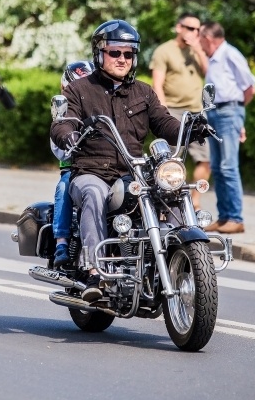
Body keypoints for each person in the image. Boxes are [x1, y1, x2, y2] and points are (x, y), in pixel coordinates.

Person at [50, 20, 183, 301]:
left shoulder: (144, 92)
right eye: (115, 52)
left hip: (130, 173)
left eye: (128, 53)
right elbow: (64, 121)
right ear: (100, 53)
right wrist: (67, 134)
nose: (122, 59)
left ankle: (178, 256)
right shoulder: (80, 89)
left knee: (167, 189)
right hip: (90, 170)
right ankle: (93, 270)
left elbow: (164, 122)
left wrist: (191, 127)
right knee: (93, 192)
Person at [198, 22, 255, 234]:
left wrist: (236, 112)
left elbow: (250, 87)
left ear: (208, 38)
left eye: (200, 39)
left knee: (229, 166)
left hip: (228, 111)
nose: (199, 44)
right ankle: (224, 217)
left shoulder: (230, 54)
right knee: (217, 167)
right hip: (215, 112)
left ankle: (236, 218)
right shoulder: (214, 58)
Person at [150, 12, 211, 210]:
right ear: (179, 27)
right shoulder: (164, 51)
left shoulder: (197, 50)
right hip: (174, 111)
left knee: (205, 159)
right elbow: (157, 84)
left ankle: (194, 202)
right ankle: (168, 203)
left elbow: (209, 73)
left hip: (197, 111)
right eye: (191, 28)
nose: (195, 33)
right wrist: (163, 111)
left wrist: (199, 50)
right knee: (170, 160)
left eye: (198, 30)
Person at [51, 60, 95, 270]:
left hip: (105, 168)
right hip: (74, 169)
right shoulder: (64, 115)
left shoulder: (105, 107)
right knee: (64, 186)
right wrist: (69, 140)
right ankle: (61, 242)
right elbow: (58, 148)